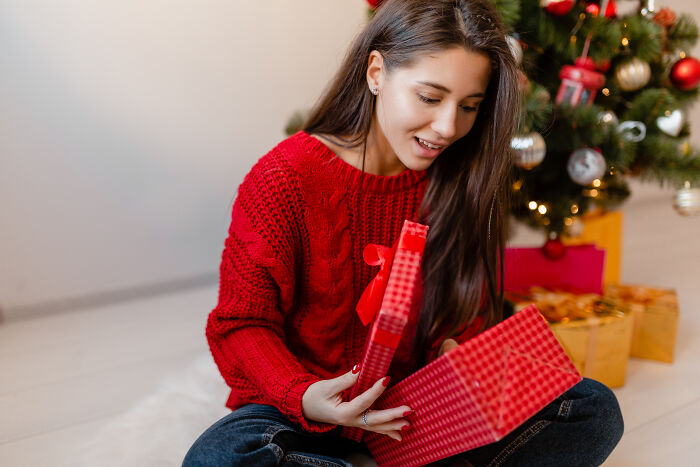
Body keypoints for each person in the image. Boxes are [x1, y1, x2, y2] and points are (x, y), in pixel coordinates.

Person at [183, 0, 624, 465]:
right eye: (430, 98)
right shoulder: (284, 179)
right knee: (222, 456)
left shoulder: (457, 179)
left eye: (469, 106)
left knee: (591, 408)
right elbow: (240, 323)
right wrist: (302, 394)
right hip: (303, 409)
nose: (448, 127)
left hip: (415, 410)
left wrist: (457, 352)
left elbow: (464, 311)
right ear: (376, 72)